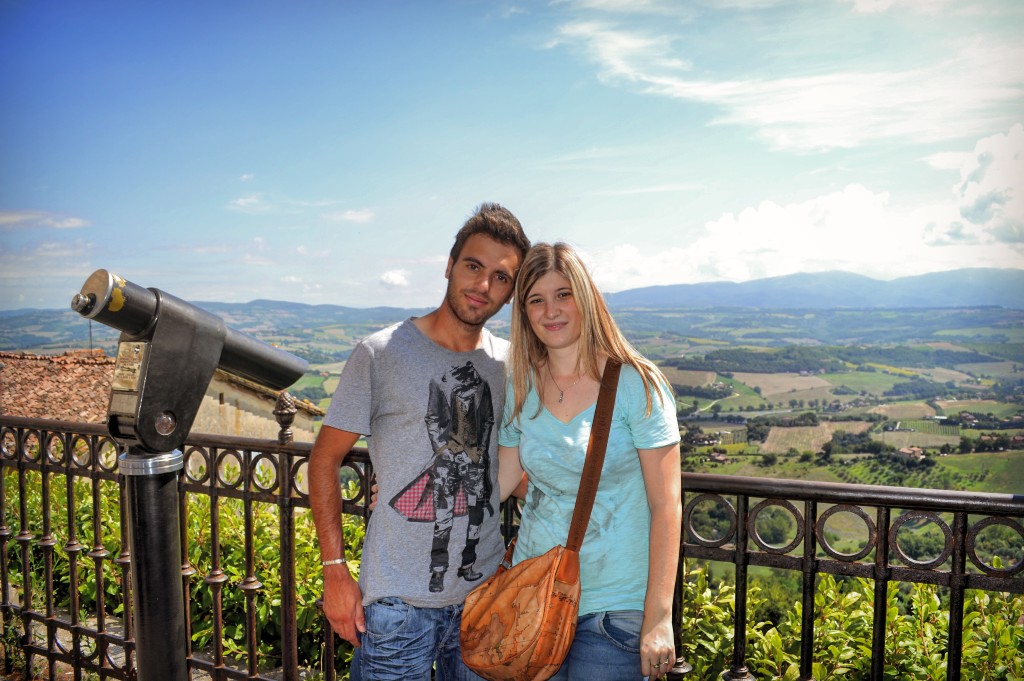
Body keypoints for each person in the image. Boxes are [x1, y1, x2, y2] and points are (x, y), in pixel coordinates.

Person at [309, 203, 531, 681]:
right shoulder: (381, 353)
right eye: (473, 266)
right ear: (449, 266)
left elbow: (516, 466)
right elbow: (324, 460)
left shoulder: (510, 366)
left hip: (483, 603)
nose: (482, 286)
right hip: (396, 607)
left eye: (500, 277)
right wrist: (335, 572)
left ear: (510, 291)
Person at [495, 242, 682, 680]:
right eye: (536, 300)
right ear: (524, 313)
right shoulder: (521, 384)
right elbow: (498, 483)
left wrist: (658, 619)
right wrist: (416, 497)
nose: (551, 311)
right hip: (533, 595)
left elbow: (666, 507)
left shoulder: (638, 383)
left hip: (612, 608)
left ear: (587, 298)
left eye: (564, 294)